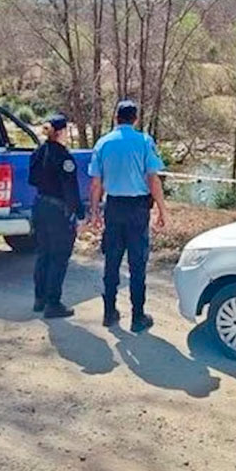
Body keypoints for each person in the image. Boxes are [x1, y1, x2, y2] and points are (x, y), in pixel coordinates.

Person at [88, 100, 168, 333]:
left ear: (115, 118)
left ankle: (109, 311)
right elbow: (153, 179)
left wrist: (95, 211)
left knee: (111, 261)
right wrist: (162, 210)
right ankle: (137, 316)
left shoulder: (103, 143)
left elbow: (95, 183)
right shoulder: (144, 141)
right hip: (137, 209)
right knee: (137, 263)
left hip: (113, 206)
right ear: (135, 119)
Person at [28, 113, 84, 319]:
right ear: (61, 132)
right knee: (59, 257)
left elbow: (32, 179)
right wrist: (79, 212)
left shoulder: (39, 152)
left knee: (43, 254)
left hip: (40, 205)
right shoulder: (64, 157)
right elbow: (71, 188)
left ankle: (39, 299)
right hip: (58, 211)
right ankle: (53, 303)